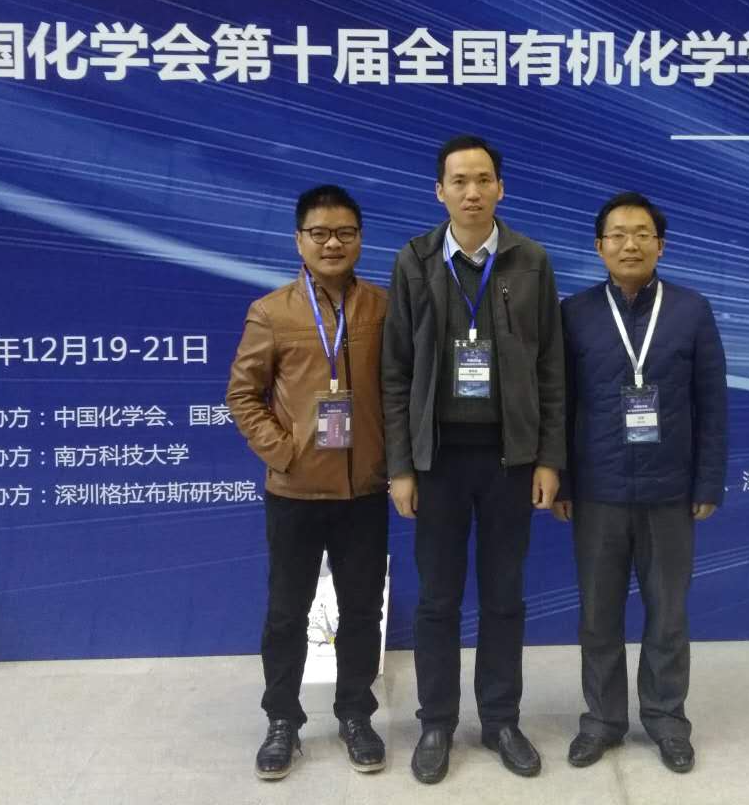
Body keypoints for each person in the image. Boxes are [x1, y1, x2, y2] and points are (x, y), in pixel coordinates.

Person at [381, 135, 565, 784]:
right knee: (437, 599)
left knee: (504, 596)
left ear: (501, 189)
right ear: (439, 191)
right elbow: (395, 372)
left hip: (510, 459)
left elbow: (551, 367)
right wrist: (400, 466)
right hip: (437, 461)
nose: (472, 191)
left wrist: (549, 458)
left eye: (483, 179)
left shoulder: (530, 260)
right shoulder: (414, 260)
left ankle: (501, 719)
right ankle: (436, 721)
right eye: (459, 181)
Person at [553, 191, 728, 774]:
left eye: (642, 234)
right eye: (618, 235)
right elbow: (561, 405)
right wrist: (564, 481)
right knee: (597, 616)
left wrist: (707, 481)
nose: (630, 244)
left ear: (661, 244)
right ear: (599, 246)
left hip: (670, 492)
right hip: (597, 490)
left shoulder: (691, 310)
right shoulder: (575, 313)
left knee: (668, 615)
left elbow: (712, 404)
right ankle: (602, 721)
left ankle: (666, 719)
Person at [227, 185, 390, 780]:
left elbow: (400, 392)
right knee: (286, 612)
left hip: (365, 490)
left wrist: (393, 462)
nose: (332, 243)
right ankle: (282, 719)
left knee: (362, 610)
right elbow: (243, 395)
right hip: (294, 492)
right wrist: (284, 453)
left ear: (360, 240)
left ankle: (355, 713)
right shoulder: (272, 312)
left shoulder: (384, 308)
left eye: (344, 233)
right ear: (299, 240)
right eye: (319, 233)